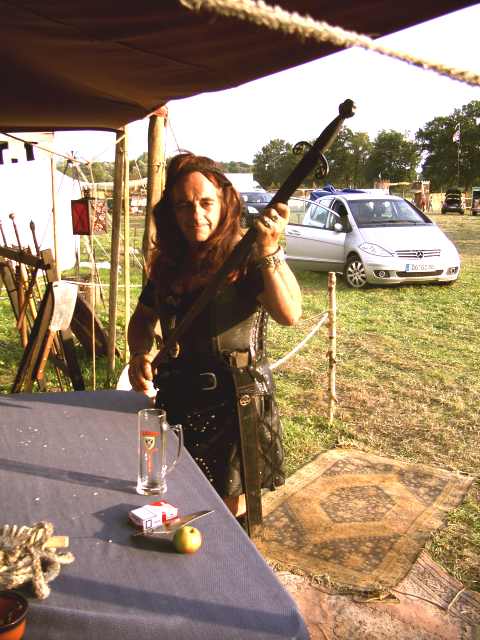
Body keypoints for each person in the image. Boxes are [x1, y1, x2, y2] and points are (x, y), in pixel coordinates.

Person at [127, 152, 302, 517]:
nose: (196, 215)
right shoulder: (170, 262)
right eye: (184, 205)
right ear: (171, 211)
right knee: (178, 498)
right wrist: (139, 353)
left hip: (235, 403)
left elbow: (289, 314)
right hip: (178, 398)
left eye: (206, 203)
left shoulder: (248, 255)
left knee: (226, 514)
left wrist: (269, 249)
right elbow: (142, 320)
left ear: (225, 202)